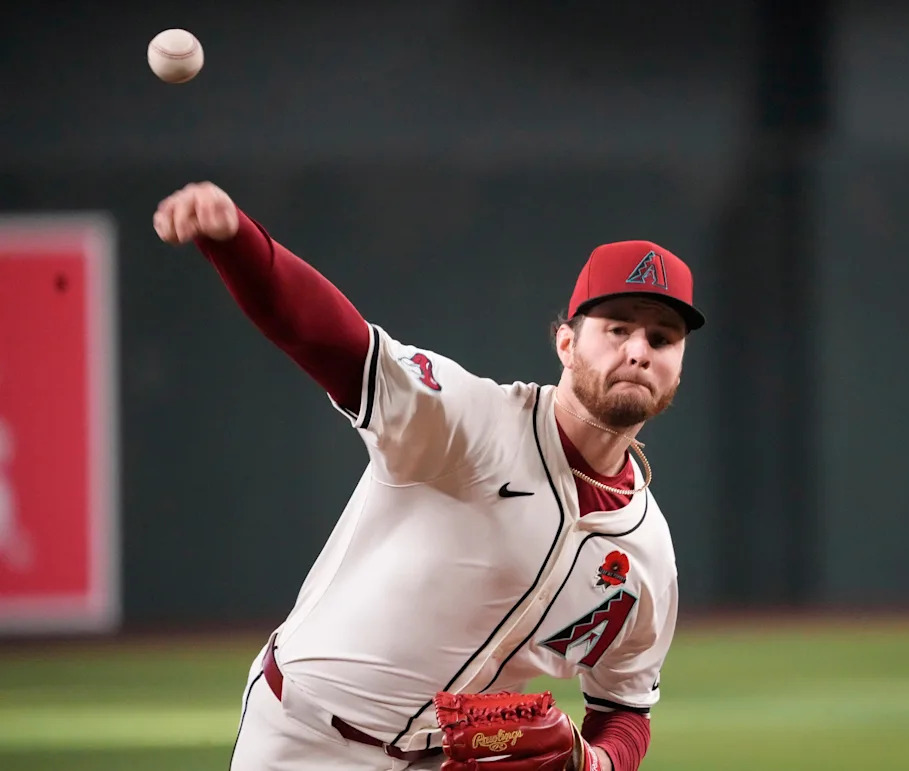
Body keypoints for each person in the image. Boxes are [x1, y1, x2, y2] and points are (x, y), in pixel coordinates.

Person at [153, 181, 706, 771]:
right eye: (617, 328)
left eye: (661, 338)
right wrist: (239, 245)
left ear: (677, 367)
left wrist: (596, 763)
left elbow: (625, 706)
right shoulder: (469, 421)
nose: (639, 350)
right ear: (567, 344)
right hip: (305, 739)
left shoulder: (647, 553)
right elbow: (333, 342)